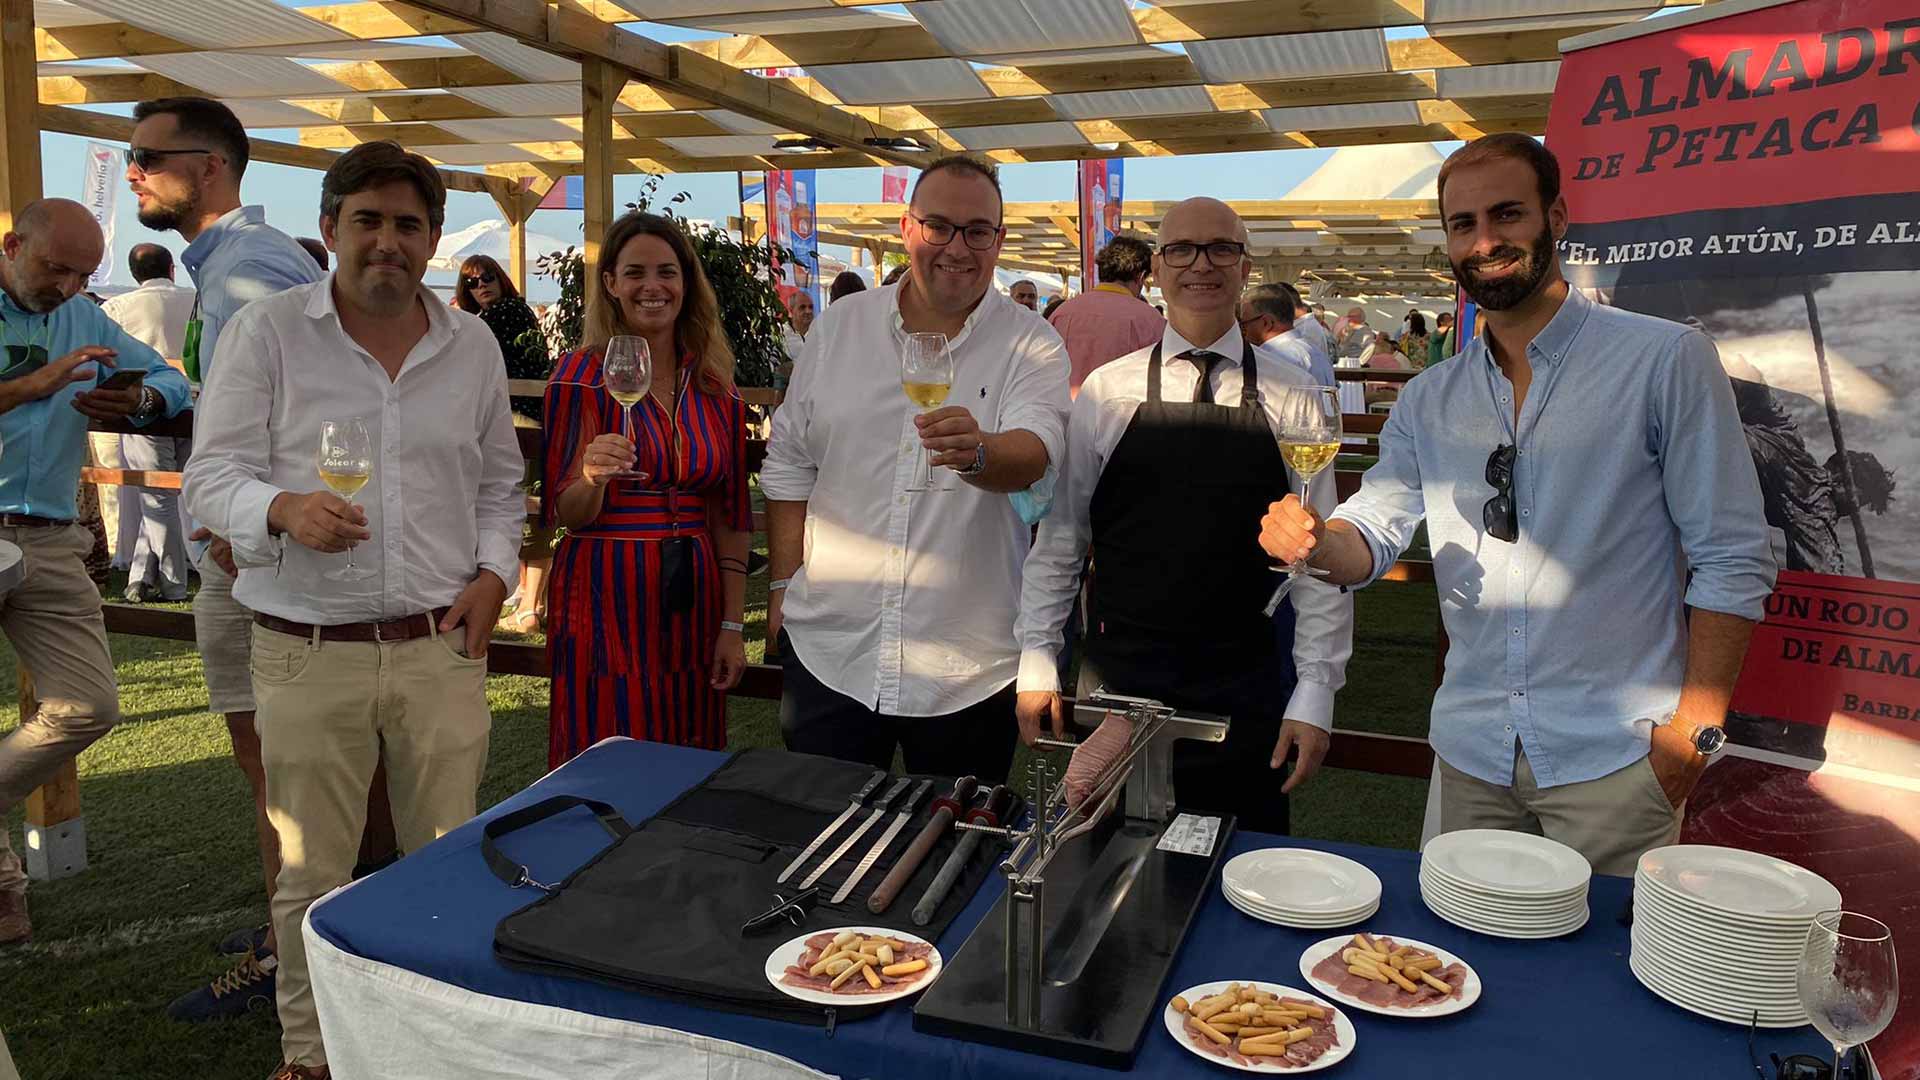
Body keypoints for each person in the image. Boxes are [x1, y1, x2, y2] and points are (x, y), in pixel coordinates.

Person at [1258, 133, 1776, 876]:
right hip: (1471, 755)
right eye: (1463, 224)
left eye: (1507, 215)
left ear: (1557, 216)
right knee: (1453, 976)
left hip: (1616, 757)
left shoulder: (1663, 359)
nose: (1485, 241)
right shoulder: (1432, 396)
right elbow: (1373, 528)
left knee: (1600, 985)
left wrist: (1692, 734)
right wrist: (1316, 545)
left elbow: (1732, 555)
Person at [182, 141, 523, 1080]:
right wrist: (281, 510)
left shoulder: (474, 345)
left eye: (408, 224)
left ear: (434, 239)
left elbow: (501, 485)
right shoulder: (270, 334)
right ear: (330, 229)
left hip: (437, 646)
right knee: (311, 876)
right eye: (367, 220)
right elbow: (211, 476)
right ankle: (314, 1054)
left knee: (447, 864)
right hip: (306, 646)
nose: (387, 241)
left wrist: (495, 578)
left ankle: (432, 1047)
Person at [128, 94, 372, 1023]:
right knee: (283, 756)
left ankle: (296, 948)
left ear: (213, 167)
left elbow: (317, 408)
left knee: (282, 762)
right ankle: (301, 929)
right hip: (251, 536)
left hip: (256, 547)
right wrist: (159, 412)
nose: (136, 171)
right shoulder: (228, 265)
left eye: (148, 155)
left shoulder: (251, 270)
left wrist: (256, 522)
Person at [1016, 198, 1352, 834]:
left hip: (1242, 680)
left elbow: (1318, 558)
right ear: (1158, 268)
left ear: (1245, 265)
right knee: (1100, 867)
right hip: (1119, 677)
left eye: (1221, 248)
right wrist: (1036, 656)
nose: (1203, 264)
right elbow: (1062, 537)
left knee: (1240, 879)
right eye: (1182, 250)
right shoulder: (1106, 390)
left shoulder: (1294, 393)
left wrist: (1315, 692)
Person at [762, 156, 1067, 783]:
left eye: (977, 230)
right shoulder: (842, 327)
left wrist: (979, 452)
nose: (957, 247)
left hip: (967, 663)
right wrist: (781, 586)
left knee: (949, 860)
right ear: (907, 228)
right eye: (939, 227)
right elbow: (790, 464)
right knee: (822, 852)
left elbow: (1037, 452)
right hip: (832, 648)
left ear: (999, 240)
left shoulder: (1032, 341)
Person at [0, 199, 192, 946]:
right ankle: (8, 891)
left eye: (84, 272)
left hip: (48, 538)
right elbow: (38, 387)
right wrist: (33, 385)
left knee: (88, 706)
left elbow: (173, 382)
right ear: (13, 244)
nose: (71, 286)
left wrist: (141, 397)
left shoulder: (84, 315)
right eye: (57, 268)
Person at [542, 211, 750, 763]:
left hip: (694, 592)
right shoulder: (579, 378)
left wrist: (732, 624)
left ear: (686, 283)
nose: (652, 286)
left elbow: (729, 515)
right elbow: (567, 512)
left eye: (667, 272)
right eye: (635, 273)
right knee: (609, 746)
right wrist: (590, 477)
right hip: (605, 591)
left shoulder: (714, 386)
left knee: (688, 744)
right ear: (610, 283)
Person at [453, 254, 550, 635]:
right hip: (514, 420)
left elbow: (459, 351)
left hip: (518, 419)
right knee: (520, 509)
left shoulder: (506, 312)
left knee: (521, 509)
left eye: (489, 277)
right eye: (473, 282)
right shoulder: (501, 316)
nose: (482, 286)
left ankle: (529, 607)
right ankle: (530, 601)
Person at [99, 243, 196, 602]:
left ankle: (173, 581)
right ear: (171, 269)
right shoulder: (195, 298)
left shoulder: (116, 309)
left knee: (156, 495)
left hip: (144, 410)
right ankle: (143, 574)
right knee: (176, 492)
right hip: (194, 404)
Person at [1045, 235, 1163, 397]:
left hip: (1064, 414)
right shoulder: (1150, 319)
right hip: (1123, 416)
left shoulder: (1062, 312)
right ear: (1141, 277)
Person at [1237, 283, 1336, 388]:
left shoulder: (1274, 358)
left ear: (1267, 323)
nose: (1242, 330)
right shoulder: (1315, 351)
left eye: (1244, 324)